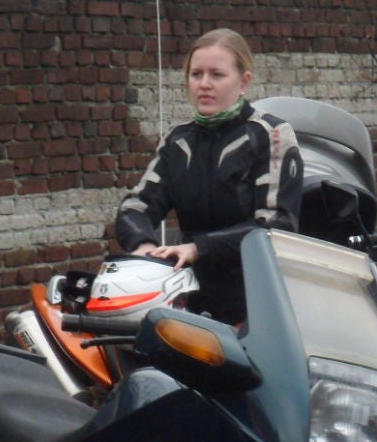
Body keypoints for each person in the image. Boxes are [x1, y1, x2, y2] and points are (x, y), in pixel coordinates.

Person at [114, 28, 303, 324]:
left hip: (256, 301)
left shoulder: (272, 135)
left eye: (217, 75)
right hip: (188, 299)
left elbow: (277, 224)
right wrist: (143, 245)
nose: (204, 84)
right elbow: (135, 208)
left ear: (244, 82)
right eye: (196, 74)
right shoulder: (178, 141)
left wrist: (198, 248)